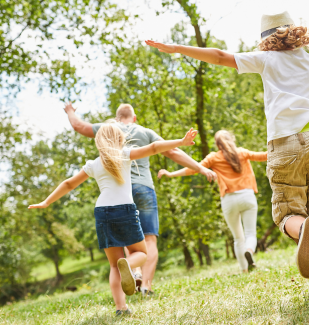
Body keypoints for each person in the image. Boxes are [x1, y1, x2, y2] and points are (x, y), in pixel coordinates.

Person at [145, 11, 309, 301]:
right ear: (296, 32)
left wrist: (178, 48)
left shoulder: (266, 60)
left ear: (266, 40)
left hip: (284, 144)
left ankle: (301, 229)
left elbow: (220, 56)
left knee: (286, 213)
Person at [28, 124, 199, 315]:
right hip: (124, 209)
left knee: (113, 265)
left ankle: (121, 308)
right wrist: (181, 142)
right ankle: (129, 264)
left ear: (98, 142)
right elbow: (153, 148)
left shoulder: (93, 164)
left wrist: (46, 201)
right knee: (141, 253)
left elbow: (69, 184)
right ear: (119, 140)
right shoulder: (125, 154)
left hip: (102, 212)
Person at [63, 102, 216, 296]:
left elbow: (79, 126)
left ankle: (134, 272)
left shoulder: (108, 129)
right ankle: (146, 286)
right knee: (149, 239)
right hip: (144, 188)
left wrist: (70, 111)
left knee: (129, 239)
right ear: (134, 118)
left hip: (118, 193)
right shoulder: (145, 131)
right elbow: (171, 151)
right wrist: (200, 168)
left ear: (117, 118)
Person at [157, 130, 267, 273]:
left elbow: (194, 168)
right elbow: (264, 156)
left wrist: (171, 174)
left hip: (229, 200)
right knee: (250, 234)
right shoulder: (242, 153)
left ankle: (244, 270)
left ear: (217, 144)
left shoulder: (214, 157)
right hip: (247, 196)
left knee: (238, 237)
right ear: (231, 139)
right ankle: (249, 251)